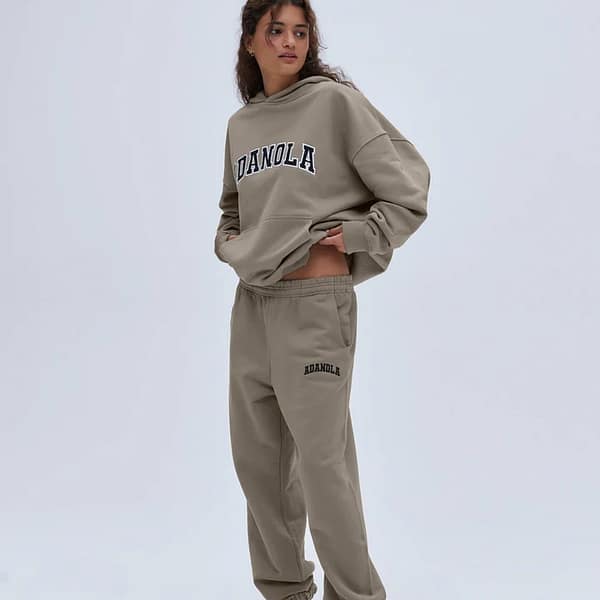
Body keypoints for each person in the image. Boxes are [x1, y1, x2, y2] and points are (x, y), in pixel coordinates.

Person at [213, 2, 431, 599]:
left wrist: (358, 235)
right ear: (251, 42)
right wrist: (229, 244)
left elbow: (408, 186)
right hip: (251, 306)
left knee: (322, 466)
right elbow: (232, 208)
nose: (290, 42)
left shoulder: (334, 105)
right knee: (258, 465)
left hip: (314, 305)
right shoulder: (241, 124)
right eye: (275, 31)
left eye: (301, 32)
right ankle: (285, 591)